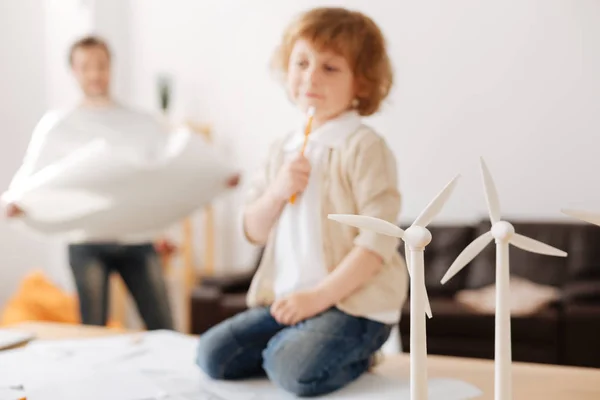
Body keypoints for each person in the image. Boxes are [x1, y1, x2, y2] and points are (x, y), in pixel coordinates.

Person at [196, 7, 408, 397]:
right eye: (302, 62)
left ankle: (358, 352)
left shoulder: (363, 147)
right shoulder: (282, 150)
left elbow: (377, 242)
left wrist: (318, 298)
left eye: (330, 68)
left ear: (361, 83)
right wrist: (277, 191)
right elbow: (253, 230)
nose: (311, 76)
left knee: (289, 368)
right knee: (212, 356)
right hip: (291, 304)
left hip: (350, 305)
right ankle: (309, 344)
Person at [3, 36, 237, 329]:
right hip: (86, 241)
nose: (95, 74)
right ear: (74, 71)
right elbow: (34, 175)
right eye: (86, 66)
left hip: (137, 240)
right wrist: (19, 203)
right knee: (94, 330)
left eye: (101, 65)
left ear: (111, 67)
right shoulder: (58, 125)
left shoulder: (139, 122)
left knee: (162, 325)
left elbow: (172, 161)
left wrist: (218, 174)